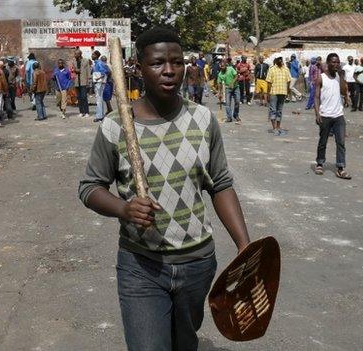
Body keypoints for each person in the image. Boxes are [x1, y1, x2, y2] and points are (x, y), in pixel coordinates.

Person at [78, 27, 250, 351]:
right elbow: (90, 187)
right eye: (158, 63)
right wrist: (123, 209)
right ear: (138, 68)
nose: (169, 70)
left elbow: (221, 184)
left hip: (197, 263)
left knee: (184, 344)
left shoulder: (202, 119)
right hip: (140, 266)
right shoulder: (115, 125)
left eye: (177, 62)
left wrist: (244, 246)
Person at [314, 53, 352, 179]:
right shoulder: (321, 78)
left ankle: (340, 168)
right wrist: (317, 113)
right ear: (328, 63)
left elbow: (342, 91)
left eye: (338, 62)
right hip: (325, 115)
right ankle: (320, 163)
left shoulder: (339, 77)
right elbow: (316, 97)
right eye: (333, 62)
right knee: (323, 141)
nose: (336, 64)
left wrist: (341, 77)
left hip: (338, 115)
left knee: (340, 142)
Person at [266, 54, 291, 135]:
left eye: (281, 59)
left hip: (283, 92)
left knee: (279, 111)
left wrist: (287, 91)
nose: (280, 60)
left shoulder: (286, 69)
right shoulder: (272, 69)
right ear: (276, 60)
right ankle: (274, 128)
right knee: (273, 110)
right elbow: (269, 82)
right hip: (274, 92)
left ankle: (278, 126)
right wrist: (268, 93)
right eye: (278, 59)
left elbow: (288, 81)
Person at [217, 59, 241, 124]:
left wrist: (232, 83)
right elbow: (219, 83)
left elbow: (236, 75)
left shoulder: (230, 69)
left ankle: (235, 115)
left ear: (226, 66)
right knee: (227, 103)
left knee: (237, 101)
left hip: (236, 87)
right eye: (221, 67)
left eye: (223, 66)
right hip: (228, 88)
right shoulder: (220, 74)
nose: (222, 68)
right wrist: (219, 92)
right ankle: (229, 117)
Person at [69, 49, 91, 118]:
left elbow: (88, 71)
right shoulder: (73, 61)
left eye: (76, 54)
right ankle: (81, 112)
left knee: (84, 97)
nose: (74, 55)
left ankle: (86, 112)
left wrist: (89, 81)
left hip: (84, 81)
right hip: (76, 82)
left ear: (79, 54)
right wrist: (75, 70)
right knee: (79, 97)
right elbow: (72, 70)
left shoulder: (86, 61)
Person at [92, 50, 110, 122]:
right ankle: (101, 115)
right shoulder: (97, 63)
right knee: (100, 99)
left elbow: (104, 72)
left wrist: (98, 78)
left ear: (96, 56)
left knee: (99, 100)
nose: (92, 56)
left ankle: (99, 116)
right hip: (99, 82)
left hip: (99, 83)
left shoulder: (99, 63)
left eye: (93, 55)